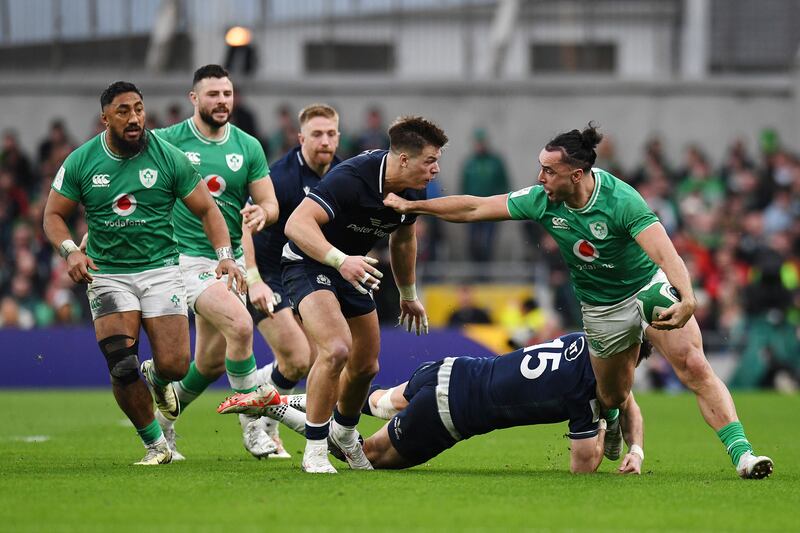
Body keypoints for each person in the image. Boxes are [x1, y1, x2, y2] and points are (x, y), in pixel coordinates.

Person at [383, 123, 773, 480]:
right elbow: (475, 207)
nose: (540, 178)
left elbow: (666, 255)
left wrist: (687, 297)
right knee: (611, 395)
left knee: (693, 365)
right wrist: (414, 206)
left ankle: (742, 454)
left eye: (548, 171)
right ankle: (616, 416)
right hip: (601, 311)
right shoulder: (542, 200)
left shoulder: (621, 200)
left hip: (644, 289)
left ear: (577, 174)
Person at [42, 81, 242, 465]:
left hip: (162, 271)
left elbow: (207, 210)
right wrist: (69, 252)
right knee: (121, 363)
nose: (134, 118)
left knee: (176, 364)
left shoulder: (169, 157)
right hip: (108, 274)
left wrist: (224, 255)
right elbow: (53, 215)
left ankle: (159, 377)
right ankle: (155, 444)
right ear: (105, 118)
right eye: (123, 111)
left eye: (138, 109)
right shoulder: (82, 161)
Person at [218, 332, 646, 474]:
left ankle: (287, 398)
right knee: (363, 457)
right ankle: (274, 403)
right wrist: (606, 424)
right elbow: (584, 464)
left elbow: (624, 399)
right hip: (451, 411)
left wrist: (636, 447)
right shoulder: (582, 391)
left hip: (452, 367)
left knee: (373, 403)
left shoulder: (585, 341)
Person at [282, 116, 447, 473]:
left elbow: (403, 238)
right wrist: (340, 260)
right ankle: (314, 449)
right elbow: (296, 225)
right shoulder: (352, 177)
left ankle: (343, 433)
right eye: (430, 160)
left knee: (366, 365)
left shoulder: (413, 190)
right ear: (404, 159)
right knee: (337, 348)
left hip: (353, 270)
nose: (435, 169)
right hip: (310, 263)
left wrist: (407, 293)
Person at [151, 65, 279, 460]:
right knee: (241, 326)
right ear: (194, 98)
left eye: (227, 93)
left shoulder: (248, 146)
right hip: (186, 260)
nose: (222, 101)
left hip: (231, 262)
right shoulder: (166, 141)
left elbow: (270, 203)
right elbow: (133, 184)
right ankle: (253, 427)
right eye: (213, 94)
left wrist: (264, 215)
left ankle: (164, 422)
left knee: (207, 363)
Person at [241, 103, 343, 458]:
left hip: (305, 274)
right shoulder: (280, 177)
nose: (325, 140)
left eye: (331, 133)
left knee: (312, 358)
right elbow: (246, 227)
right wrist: (253, 279)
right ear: (301, 138)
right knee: (299, 358)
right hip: (269, 275)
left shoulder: (343, 174)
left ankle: (257, 397)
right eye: (317, 134)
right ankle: (257, 426)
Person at [460, 128, 510, 263]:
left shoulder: (495, 162)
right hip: (472, 207)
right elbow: (463, 185)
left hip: (492, 206)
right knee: (473, 240)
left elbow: (504, 183)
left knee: (488, 240)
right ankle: (474, 270)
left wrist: (502, 204)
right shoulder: (470, 163)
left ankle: (486, 271)